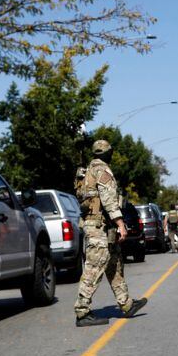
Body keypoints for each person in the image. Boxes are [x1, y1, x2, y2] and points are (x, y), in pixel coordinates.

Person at [73, 139, 148, 327]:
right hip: (99, 227)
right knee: (94, 268)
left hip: (98, 225)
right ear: (108, 153)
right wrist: (121, 224)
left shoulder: (87, 170)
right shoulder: (102, 170)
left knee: (114, 263)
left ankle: (126, 303)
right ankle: (82, 311)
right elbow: (108, 200)